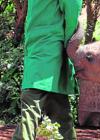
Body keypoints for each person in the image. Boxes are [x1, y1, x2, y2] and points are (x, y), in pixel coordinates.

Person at [12, 0, 82, 139]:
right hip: (40, 50)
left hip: (49, 50)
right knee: (60, 112)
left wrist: (70, 42)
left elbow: (73, 7)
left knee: (31, 104)